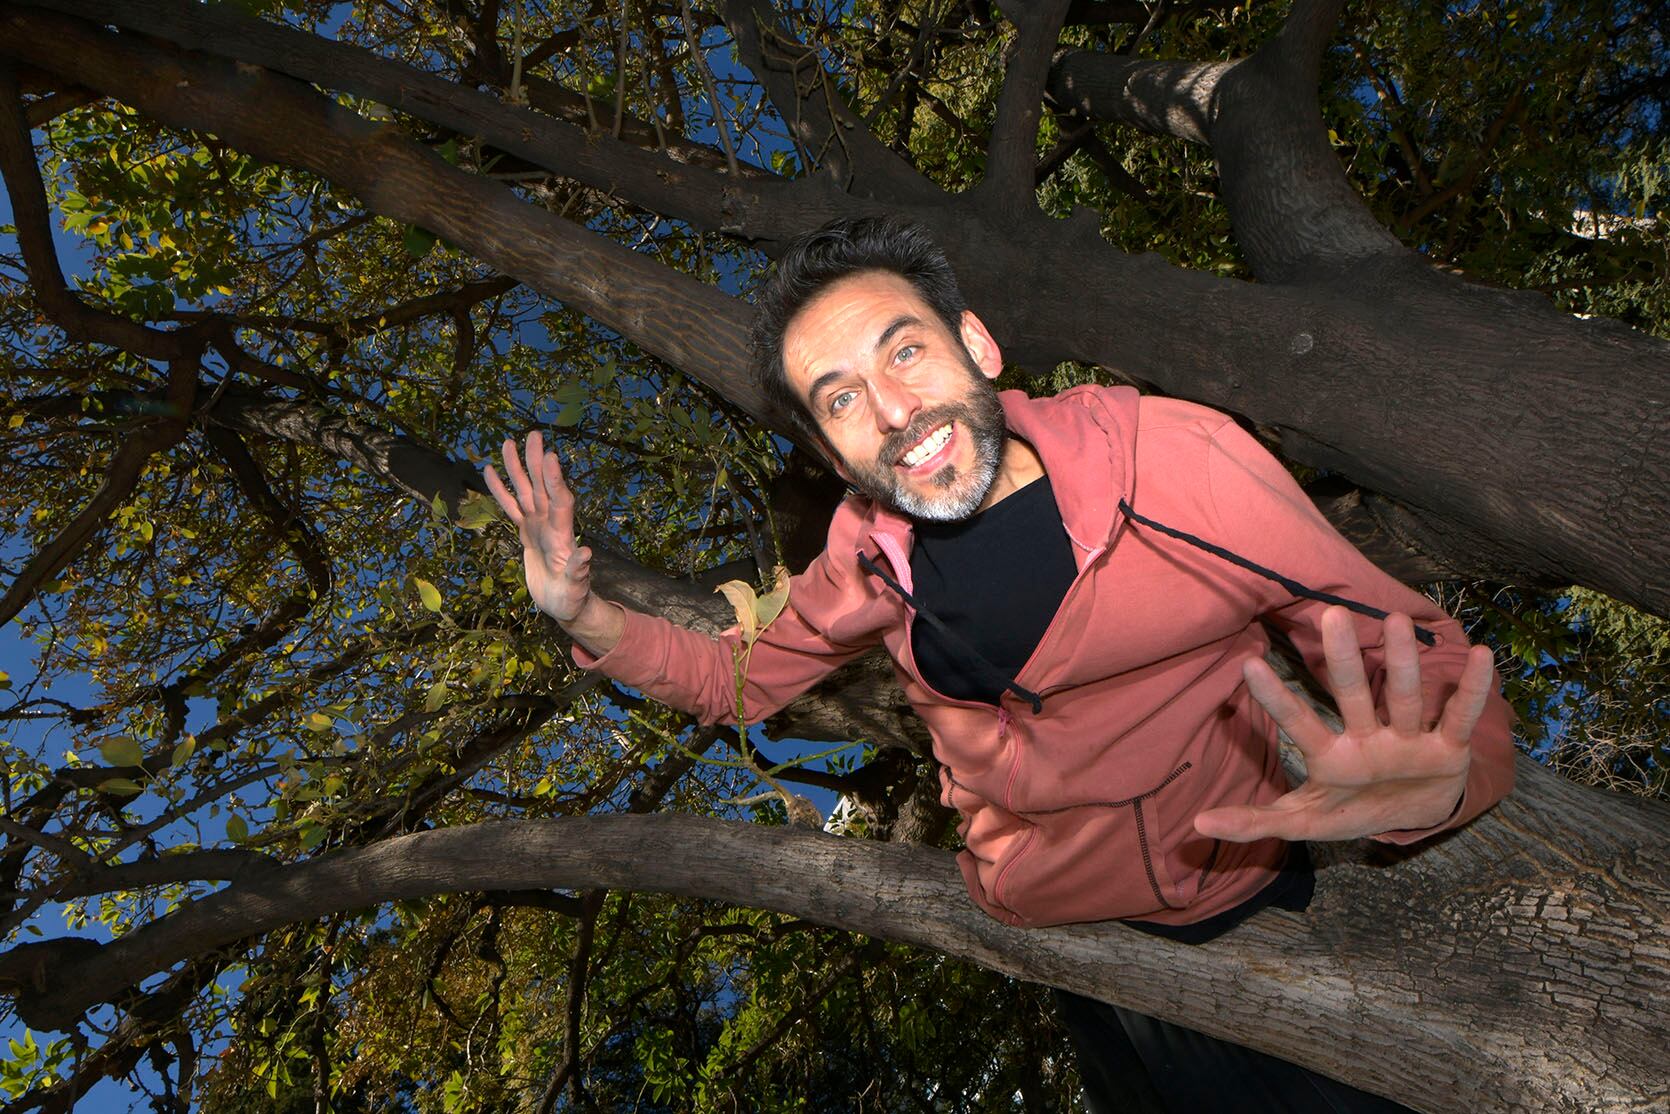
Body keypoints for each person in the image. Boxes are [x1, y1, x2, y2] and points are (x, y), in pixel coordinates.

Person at [483, 217, 1516, 1111]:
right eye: (838, 401)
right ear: (829, 452)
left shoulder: (1183, 466)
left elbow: (1423, 666)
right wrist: (585, 612)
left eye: (903, 353)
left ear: (976, 342)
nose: (891, 412)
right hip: (1055, 940)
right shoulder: (861, 560)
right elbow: (734, 680)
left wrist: (1440, 781)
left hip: (1239, 907)